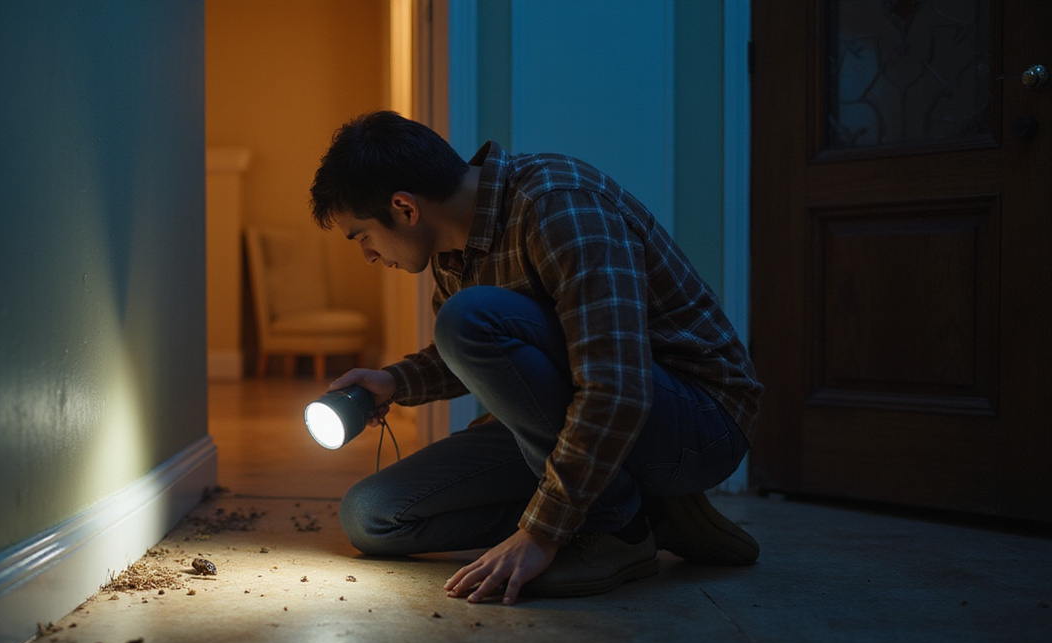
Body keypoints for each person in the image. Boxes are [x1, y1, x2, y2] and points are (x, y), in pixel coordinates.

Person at [309, 111, 763, 605]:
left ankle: (618, 531)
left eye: (362, 237)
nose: (370, 256)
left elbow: (619, 387)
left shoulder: (560, 206)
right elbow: (473, 351)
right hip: (584, 418)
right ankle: (649, 511)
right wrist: (393, 382)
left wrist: (542, 533)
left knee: (467, 317)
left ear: (404, 208)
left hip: (696, 421)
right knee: (372, 516)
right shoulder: (450, 249)